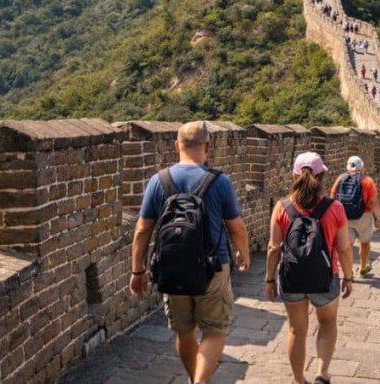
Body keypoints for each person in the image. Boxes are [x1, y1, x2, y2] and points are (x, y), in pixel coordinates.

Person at [130, 122, 251, 384]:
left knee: (184, 332)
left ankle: (196, 379)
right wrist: (243, 253)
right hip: (214, 267)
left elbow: (142, 230)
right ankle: (199, 382)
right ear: (208, 147)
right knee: (214, 332)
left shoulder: (158, 181)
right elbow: (236, 227)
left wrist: (137, 270)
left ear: (176, 146)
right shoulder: (220, 182)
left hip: (171, 269)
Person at [266, 152, 354, 384]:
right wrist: (349, 277)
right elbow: (344, 248)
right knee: (327, 323)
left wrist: (269, 280)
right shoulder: (334, 207)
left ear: (294, 175)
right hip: (325, 277)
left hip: (292, 279)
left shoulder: (282, 207)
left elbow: (274, 248)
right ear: (322, 176)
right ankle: (321, 374)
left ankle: (298, 379)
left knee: (296, 330)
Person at [330, 156, 380, 277]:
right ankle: (363, 268)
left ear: (347, 166)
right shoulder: (367, 181)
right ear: (362, 168)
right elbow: (374, 202)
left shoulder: (340, 178)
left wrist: (333, 215)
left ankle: (349, 273)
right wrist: (378, 219)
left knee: (347, 245)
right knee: (364, 242)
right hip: (364, 216)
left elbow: (332, 196)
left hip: (344, 216)